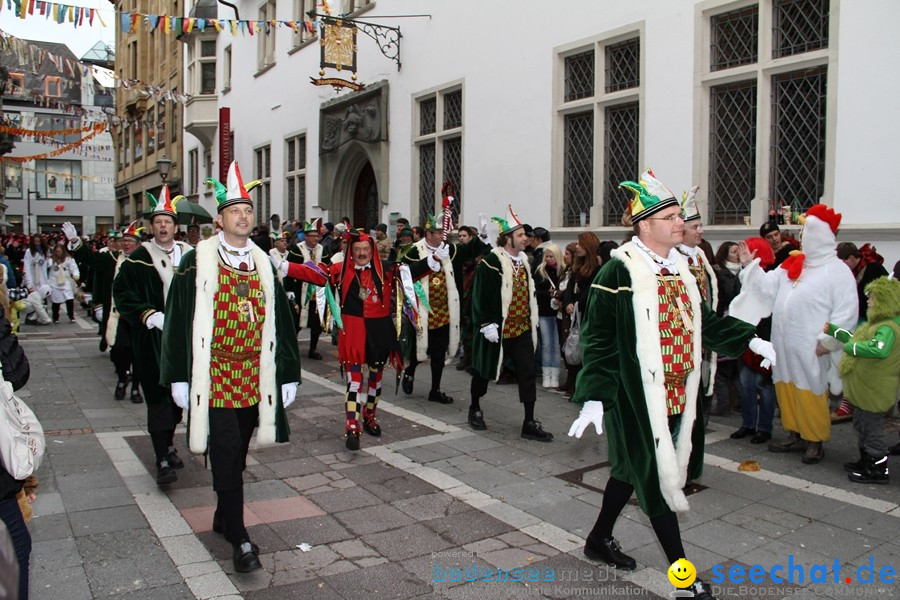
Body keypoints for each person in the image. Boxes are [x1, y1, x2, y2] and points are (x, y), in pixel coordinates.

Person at [567, 169, 772, 600]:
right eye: (672, 216)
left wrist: (749, 339)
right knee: (658, 479)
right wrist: (595, 397)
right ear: (645, 224)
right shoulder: (617, 271)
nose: (681, 223)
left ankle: (598, 538)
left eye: (681, 215)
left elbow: (704, 323)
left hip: (678, 392)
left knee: (627, 472)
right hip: (633, 395)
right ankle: (684, 578)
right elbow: (598, 340)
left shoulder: (681, 268)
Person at [161, 161, 302, 573]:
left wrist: (288, 373)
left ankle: (223, 514)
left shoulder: (262, 263)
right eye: (235, 210)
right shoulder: (196, 261)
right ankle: (240, 536)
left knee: (238, 451)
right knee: (223, 450)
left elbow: (282, 322)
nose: (243, 216)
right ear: (220, 218)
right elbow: (176, 320)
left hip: (253, 375)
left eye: (249, 210)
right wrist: (177, 375)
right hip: (214, 373)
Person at [281, 229, 436, 451]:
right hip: (352, 331)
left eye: (365, 249)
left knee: (375, 379)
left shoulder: (387, 268)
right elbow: (315, 274)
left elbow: (411, 272)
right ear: (350, 252)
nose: (362, 253)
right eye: (357, 250)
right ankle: (352, 427)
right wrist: (284, 266)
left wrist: (434, 258)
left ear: (372, 250)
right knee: (354, 382)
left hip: (380, 330)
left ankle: (370, 417)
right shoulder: (341, 269)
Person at [734, 204, 858, 464]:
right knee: (786, 388)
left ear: (821, 236)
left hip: (811, 346)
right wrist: (750, 266)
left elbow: (846, 312)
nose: (802, 237)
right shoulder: (793, 263)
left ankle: (814, 439)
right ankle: (795, 433)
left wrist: (829, 342)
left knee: (810, 391)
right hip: (784, 344)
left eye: (807, 232)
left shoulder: (837, 271)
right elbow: (767, 289)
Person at [113, 185, 190, 484]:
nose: (162, 226)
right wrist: (148, 314)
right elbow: (121, 291)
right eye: (158, 221)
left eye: (167, 221)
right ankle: (161, 459)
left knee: (177, 401)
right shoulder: (139, 257)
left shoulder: (190, 255)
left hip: (183, 341)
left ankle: (169, 444)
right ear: (151, 226)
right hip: (153, 342)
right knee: (157, 400)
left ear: (175, 226)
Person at [468, 207, 553, 442]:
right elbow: (480, 295)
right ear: (507, 238)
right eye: (521, 235)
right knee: (484, 369)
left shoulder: (525, 260)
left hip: (521, 327)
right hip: (497, 327)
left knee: (526, 374)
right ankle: (474, 406)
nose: (526, 238)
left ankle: (529, 422)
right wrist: (486, 323)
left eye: (526, 235)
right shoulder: (492, 262)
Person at [399, 213, 490, 403]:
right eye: (439, 232)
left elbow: (469, 250)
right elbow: (404, 275)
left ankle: (435, 389)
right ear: (429, 234)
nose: (443, 236)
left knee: (439, 352)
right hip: (422, 311)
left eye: (443, 232)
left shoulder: (451, 250)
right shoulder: (414, 251)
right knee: (418, 349)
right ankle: (410, 370)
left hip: (443, 311)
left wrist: (481, 236)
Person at [823, 276, 899, 484]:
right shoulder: (877, 324)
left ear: (885, 300)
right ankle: (865, 461)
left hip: (875, 389)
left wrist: (850, 348)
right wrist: (834, 331)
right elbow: (856, 339)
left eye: (872, 297)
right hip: (865, 388)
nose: (868, 300)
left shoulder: (888, 328)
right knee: (861, 424)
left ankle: (877, 469)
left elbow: (877, 350)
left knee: (872, 429)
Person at [830, 242, 890, 422]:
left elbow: (886, 295)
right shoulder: (852, 272)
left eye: (843, 263)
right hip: (857, 323)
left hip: (871, 324)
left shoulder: (873, 269)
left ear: (851, 258)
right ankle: (852, 404)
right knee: (851, 364)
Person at [677, 187, 718, 425]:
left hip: (703, 333)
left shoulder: (700, 255)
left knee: (701, 383)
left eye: (701, 226)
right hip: (683, 335)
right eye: (695, 227)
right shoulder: (674, 257)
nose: (700, 231)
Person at [561, 232, 601, 399]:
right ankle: (573, 385)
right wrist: (568, 302)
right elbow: (570, 287)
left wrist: (578, 305)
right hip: (575, 313)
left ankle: (583, 389)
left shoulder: (597, 268)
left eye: (580, 244)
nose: (577, 247)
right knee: (572, 349)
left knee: (583, 352)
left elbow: (592, 290)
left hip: (586, 314)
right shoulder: (577, 267)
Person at [284, 218, 327, 359]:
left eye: (317, 236)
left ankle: (313, 349)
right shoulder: (298, 249)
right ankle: (291, 347)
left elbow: (328, 269)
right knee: (296, 321)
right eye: (313, 236)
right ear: (306, 237)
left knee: (316, 322)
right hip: (299, 290)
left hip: (318, 292)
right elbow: (289, 270)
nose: (316, 239)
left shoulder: (322, 250)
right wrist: (289, 290)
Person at [534, 242, 562, 389]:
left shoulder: (562, 270)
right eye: (547, 256)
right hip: (544, 311)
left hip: (558, 312)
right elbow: (535, 291)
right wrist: (548, 294)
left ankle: (555, 374)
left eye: (551, 256)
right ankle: (546, 375)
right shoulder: (541, 271)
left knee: (556, 344)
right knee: (546, 344)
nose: (549, 259)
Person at [46, 242, 79, 323]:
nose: (58, 253)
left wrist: (76, 275)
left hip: (66, 282)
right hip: (54, 283)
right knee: (56, 301)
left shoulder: (69, 259)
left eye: (59, 251)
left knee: (69, 299)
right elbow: (47, 265)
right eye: (56, 251)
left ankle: (71, 316)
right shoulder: (51, 260)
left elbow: (74, 268)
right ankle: (55, 317)